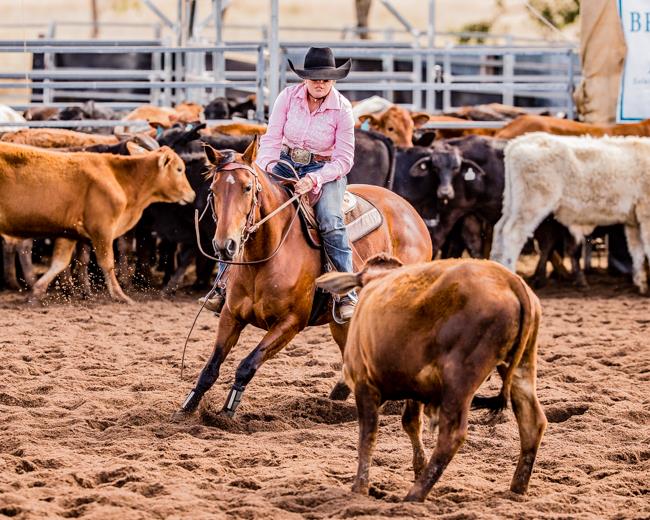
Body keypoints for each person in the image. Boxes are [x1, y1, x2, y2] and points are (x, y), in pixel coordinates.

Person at [201, 46, 358, 321]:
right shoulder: (287, 97)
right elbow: (272, 139)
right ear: (305, 79)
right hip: (283, 162)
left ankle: (346, 293)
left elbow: (344, 159)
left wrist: (313, 179)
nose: (320, 83)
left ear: (333, 80)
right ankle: (222, 284)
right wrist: (265, 170)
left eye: (326, 79)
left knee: (330, 220)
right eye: (315, 78)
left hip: (324, 170)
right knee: (246, 209)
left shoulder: (342, 108)